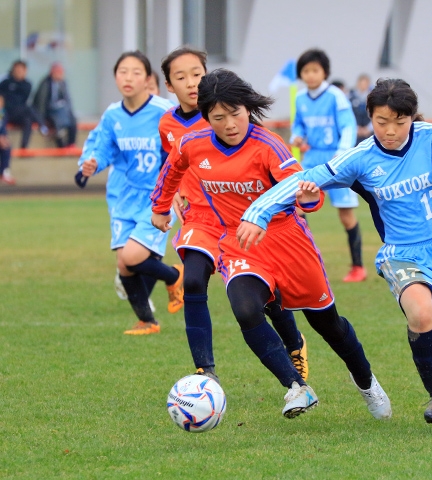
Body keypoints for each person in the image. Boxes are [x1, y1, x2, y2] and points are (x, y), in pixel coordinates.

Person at [238, 78, 432, 426]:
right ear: (370, 117)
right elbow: (306, 178)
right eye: (381, 122)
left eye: (399, 122)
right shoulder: (360, 158)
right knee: (420, 313)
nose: (390, 131)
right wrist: (258, 212)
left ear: (412, 118)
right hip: (401, 252)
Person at [150, 68, 391, 420]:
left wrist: (309, 199)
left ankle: (367, 383)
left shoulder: (267, 145)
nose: (230, 123)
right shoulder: (192, 144)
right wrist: (159, 207)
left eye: (236, 113)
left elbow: (304, 190)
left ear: (248, 109)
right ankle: (297, 387)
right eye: (219, 117)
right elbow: (172, 169)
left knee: (329, 326)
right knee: (245, 308)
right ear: (206, 118)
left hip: (289, 243)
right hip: (238, 242)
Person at [158, 46, 308, 383]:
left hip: (240, 218)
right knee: (193, 279)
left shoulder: (224, 114)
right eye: (180, 77)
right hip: (198, 217)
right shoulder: (167, 124)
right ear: (169, 85)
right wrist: (173, 195)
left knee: (265, 294)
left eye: (196, 73)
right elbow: (172, 164)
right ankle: (204, 370)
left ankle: (294, 343)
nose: (191, 82)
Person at [81, 50, 183, 335]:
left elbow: (180, 150)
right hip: (123, 198)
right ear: (115, 76)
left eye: (136, 72)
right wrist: (91, 163)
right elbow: (103, 148)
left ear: (148, 79)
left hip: (157, 198)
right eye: (122, 71)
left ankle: (176, 275)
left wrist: (179, 187)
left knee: (132, 257)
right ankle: (148, 321)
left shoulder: (164, 111)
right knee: (124, 266)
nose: (128, 78)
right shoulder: (113, 114)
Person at [291, 49, 366, 283]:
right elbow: (299, 125)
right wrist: (298, 136)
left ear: (325, 72)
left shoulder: (335, 96)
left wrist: (343, 153)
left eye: (315, 70)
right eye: (306, 71)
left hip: (336, 160)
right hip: (312, 159)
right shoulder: (300, 98)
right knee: (298, 210)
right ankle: (306, 264)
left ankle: (357, 267)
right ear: (301, 74)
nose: (311, 75)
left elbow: (348, 126)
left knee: (345, 214)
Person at [0, 60, 48, 148]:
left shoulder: (27, 84)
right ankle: (42, 125)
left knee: (28, 120)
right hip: (7, 111)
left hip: (19, 112)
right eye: (17, 69)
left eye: (21, 70)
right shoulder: (5, 83)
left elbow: (21, 99)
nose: (19, 72)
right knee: (28, 109)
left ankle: (24, 147)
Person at [32, 62, 77, 148]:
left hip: (61, 109)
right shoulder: (45, 83)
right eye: (58, 72)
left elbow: (67, 99)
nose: (60, 75)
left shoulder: (63, 83)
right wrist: (41, 120)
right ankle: (61, 146)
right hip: (49, 111)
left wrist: (69, 110)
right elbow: (41, 103)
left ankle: (71, 143)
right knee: (57, 121)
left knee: (72, 119)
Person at [349, 73, 373, 145]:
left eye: (365, 84)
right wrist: (356, 128)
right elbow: (348, 115)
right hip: (354, 132)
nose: (363, 86)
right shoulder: (350, 98)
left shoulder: (373, 99)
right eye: (361, 83)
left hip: (369, 133)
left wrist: (369, 129)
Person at [0, 94, 15, 185]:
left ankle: (4, 173)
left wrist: (4, 138)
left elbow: (3, 129)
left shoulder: (3, 114)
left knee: (6, 145)